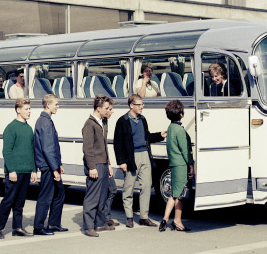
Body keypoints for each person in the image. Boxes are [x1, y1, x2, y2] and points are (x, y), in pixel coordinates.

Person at [114, 94, 166, 228]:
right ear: (131, 105)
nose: (142, 107)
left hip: (145, 155)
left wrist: (160, 135)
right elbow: (118, 144)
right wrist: (121, 161)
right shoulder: (123, 121)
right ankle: (129, 217)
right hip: (132, 158)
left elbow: (146, 137)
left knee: (146, 186)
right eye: (139, 105)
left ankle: (144, 217)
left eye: (142, 104)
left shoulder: (142, 119)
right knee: (128, 187)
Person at [0, 98, 38, 239]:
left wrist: (34, 170)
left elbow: (32, 151)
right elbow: (7, 151)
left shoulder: (29, 128)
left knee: (20, 202)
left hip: (26, 171)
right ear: (18, 110)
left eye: (30, 109)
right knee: (8, 200)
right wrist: (11, 170)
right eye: (26, 109)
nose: (29, 111)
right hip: (14, 172)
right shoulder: (11, 128)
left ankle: (17, 227)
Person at [81, 95, 115, 237]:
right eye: (106, 108)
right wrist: (92, 167)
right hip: (95, 165)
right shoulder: (89, 124)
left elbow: (105, 146)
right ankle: (88, 226)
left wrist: (108, 164)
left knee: (102, 195)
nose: (109, 111)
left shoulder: (102, 122)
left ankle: (100, 224)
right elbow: (87, 148)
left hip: (102, 163)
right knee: (92, 197)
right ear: (98, 108)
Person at [33, 94, 67, 235]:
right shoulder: (45, 122)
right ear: (48, 105)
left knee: (59, 194)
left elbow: (52, 146)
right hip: (48, 167)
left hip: (51, 165)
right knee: (46, 197)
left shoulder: (45, 120)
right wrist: (54, 169)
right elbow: (48, 148)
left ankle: (53, 224)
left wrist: (58, 164)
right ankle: (39, 227)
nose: (58, 106)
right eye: (56, 104)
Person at [159, 100, 194, 232]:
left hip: (173, 164)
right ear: (181, 113)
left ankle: (165, 220)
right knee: (180, 195)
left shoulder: (171, 128)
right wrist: (191, 165)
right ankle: (177, 221)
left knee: (173, 193)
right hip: (181, 165)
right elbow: (185, 151)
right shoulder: (180, 130)